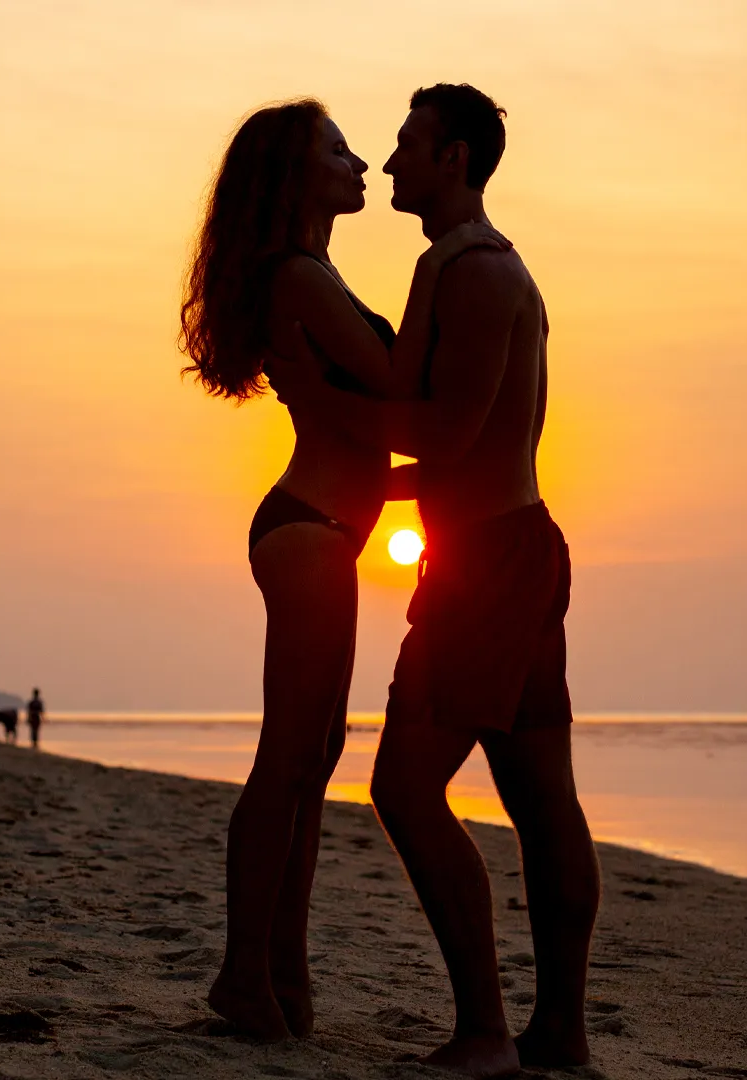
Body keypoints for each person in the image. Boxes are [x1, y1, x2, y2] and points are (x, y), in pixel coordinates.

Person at [268, 84, 601, 1075]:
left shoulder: (477, 276)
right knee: (541, 798)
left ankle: (488, 1032)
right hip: (509, 550)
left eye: (408, 144)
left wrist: (322, 401)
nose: (392, 159)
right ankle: (560, 1034)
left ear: (452, 158)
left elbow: (448, 435)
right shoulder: (455, 267)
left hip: (494, 566)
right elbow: (457, 440)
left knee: (404, 790)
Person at [179, 97, 506, 1042]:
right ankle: (246, 977)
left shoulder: (316, 271)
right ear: (295, 176)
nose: (361, 161)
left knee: (311, 761)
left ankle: (283, 975)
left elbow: (371, 427)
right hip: (310, 531)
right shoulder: (299, 277)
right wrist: (451, 278)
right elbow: (402, 383)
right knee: (286, 760)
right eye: (337, 150)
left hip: (327, 527)